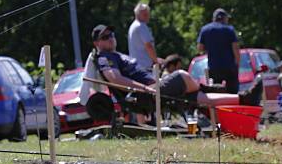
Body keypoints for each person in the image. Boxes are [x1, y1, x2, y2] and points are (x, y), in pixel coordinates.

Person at [79, 24, 241, 122]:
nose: (111, 38)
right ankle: (216, 89)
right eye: (105, 37)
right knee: (181, 76)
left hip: (152, 87)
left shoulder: (115, 55)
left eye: (111, 35)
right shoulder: (104, 58)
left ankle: (241, 98)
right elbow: (115, 79)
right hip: (145, 95)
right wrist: (143, 88)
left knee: (194, 97)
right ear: (96, 43)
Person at [196, 8, 240, 93]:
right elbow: (235, 48)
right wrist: (237, 64)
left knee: (216, 91)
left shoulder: (205, 30)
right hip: (229, 67)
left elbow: (200, 48)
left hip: (213, 67)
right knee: (233, 92)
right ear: (224, 18)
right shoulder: (229, 30)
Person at [127, 3, 161, 71]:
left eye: (148, 14)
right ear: (137, 15)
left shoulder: (133, 26)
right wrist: (156, 61)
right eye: (145, 15)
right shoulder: (141, 26)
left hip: (136, 65)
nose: (148, 17)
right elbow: (148, 46)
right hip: (144, 66)